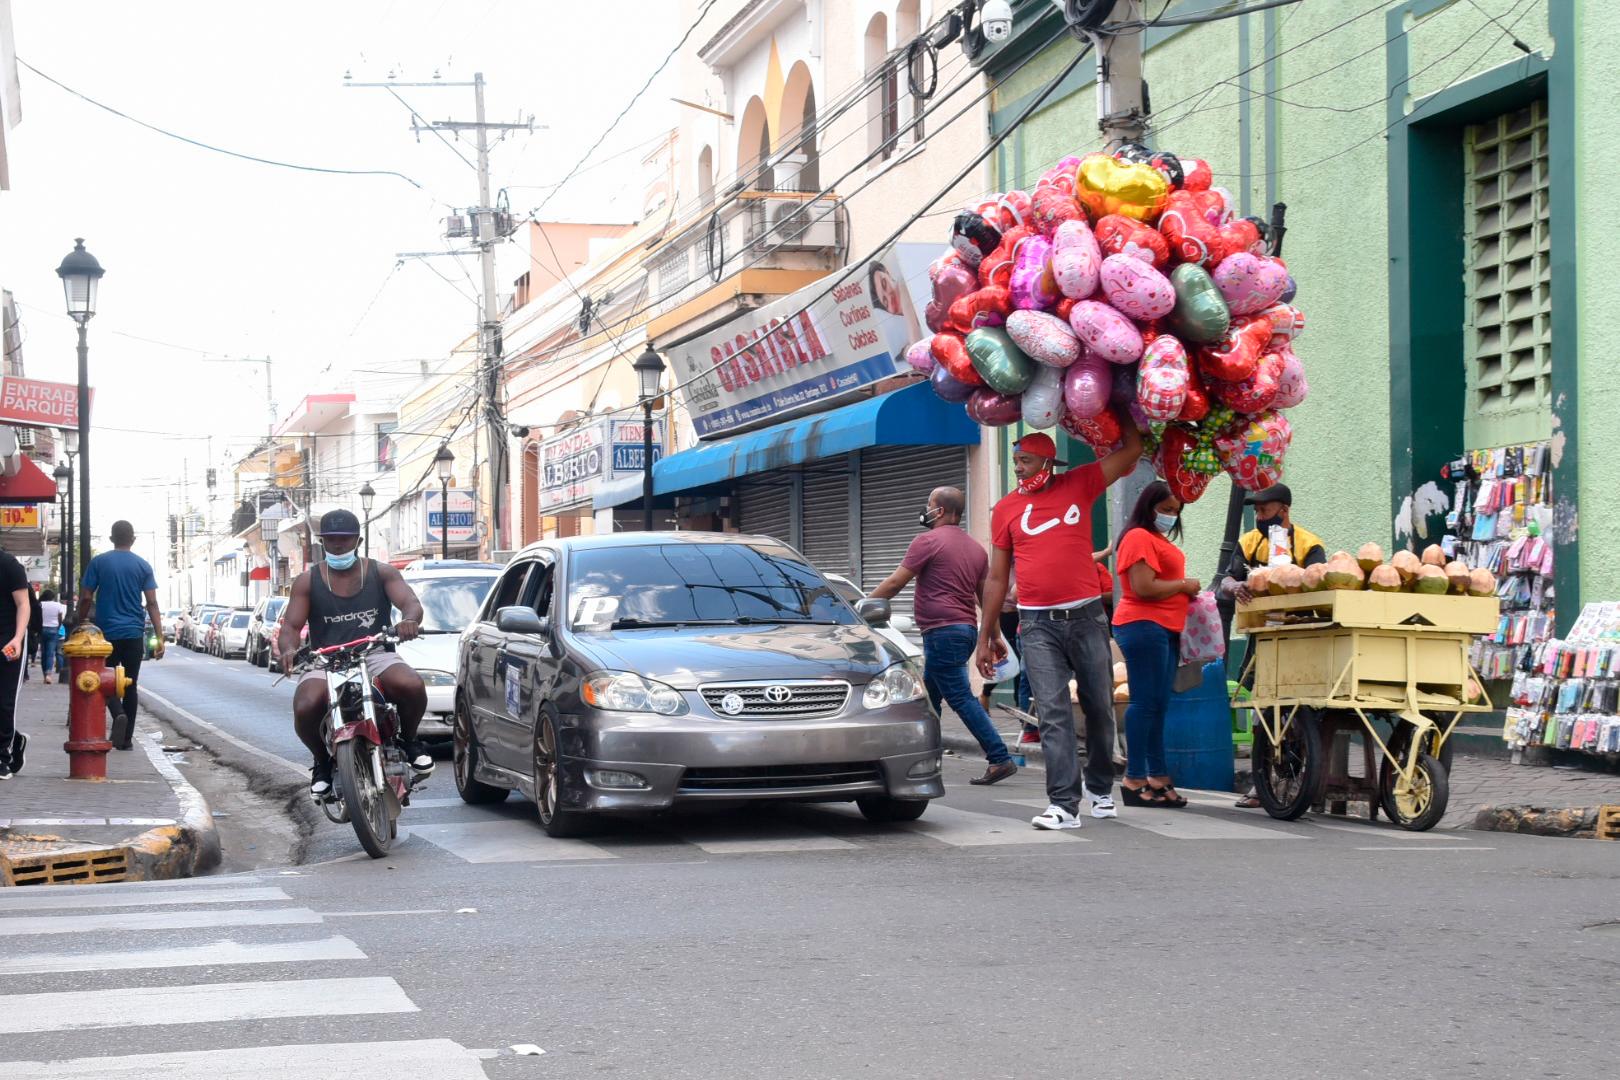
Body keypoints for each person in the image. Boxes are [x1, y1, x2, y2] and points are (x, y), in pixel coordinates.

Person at [977, 427, 1144, 830]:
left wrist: (1122, 403)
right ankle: (1064, 805)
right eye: (1015, 461)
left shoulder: (1080, 483)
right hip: (1036, 625)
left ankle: (1100, 788)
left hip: (1086, 617)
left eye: (1026, 461)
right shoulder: (1005, 510)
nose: (1018, 469)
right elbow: (997, 578)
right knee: (1052, 712)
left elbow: (1133, 449)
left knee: (1100, 707)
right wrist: (987, 633)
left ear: (1049, 462)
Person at [278, 509, 432, 797]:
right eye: (332, 540)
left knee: (411, 684)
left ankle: (410, 741)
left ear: (357, 541)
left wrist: (409, 620)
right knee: (306, 705)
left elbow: (410, 602)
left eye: (345, 539)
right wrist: (287, 649)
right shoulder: (307, 581)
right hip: (326, 659)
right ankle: (321, 762)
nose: (338, 545)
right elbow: (291, 625)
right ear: (322, 542)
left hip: (375, 653)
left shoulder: (381, 572)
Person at [869, 486, 1017, 785]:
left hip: (942, 632)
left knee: (961, 697)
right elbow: (984, 598)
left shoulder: (927, 541)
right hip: (962, 630)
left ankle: (999, 757)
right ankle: (927, 755)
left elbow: (896, 582)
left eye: (929, 505)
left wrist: (858, 609)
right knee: (930, 698)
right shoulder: (975, 548)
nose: (925, 509)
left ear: (940, 510)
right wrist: (993, 635)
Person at [1218, 483, 1324, 808]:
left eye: (1265, 510)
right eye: (1257, 511)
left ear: (1284, 511)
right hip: (1262, 634)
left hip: (1299, 635)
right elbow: (1225, 579)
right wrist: (1235, 586)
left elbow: (1321, 579)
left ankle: (1300, 778)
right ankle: (1261, 782)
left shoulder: (1309, 544)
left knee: (1300, 708)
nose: (1259, 516)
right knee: (1260, 708)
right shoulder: (1250, 542)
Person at [1112, 481, 1201, 809]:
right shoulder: (1138, 537)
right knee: (1145, 704)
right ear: (1148, 506)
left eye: (1175, 512)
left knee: (1158, 706)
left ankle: (1157, 777)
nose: (1170, 516)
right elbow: (1143, 586)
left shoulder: (1156, 539)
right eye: (1165, 510)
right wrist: (1184, 585)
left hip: (1164, 627)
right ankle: (1134, 778)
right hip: (1143, 625)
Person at [77, 521, 164, 750]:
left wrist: (80, 621)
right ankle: (126, 740)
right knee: (131, 685)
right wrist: (160, 636)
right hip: (134, 633)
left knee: (105, 683)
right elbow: (152, 602)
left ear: (111, 538)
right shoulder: (143, 566)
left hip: (106, 636)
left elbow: (86, 597)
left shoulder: (99, 562)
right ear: (132, 539)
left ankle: (117, 714)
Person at [0, 548, 30, 780]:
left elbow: (23, 604)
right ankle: (16, 739)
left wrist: (18, 638)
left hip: (8, 641)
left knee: (4, 700)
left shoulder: (9, 565)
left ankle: (2, 757)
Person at [38, 588, 66, 685]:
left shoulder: (40, 604)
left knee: (44, 653)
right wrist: (58, 627)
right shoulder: (57, 605)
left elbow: (38, 617)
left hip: (42, 629)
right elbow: (60, 618)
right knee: (50, 653)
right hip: (54, 629)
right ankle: (48, 674)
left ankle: (44, 674)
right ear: (53, 597)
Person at [24, 583, 41, 682]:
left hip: (24, 629)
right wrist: (38, 631)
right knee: (24, 653)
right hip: (29, 630)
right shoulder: (35, 604)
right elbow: (39, 618)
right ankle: (24, 673)